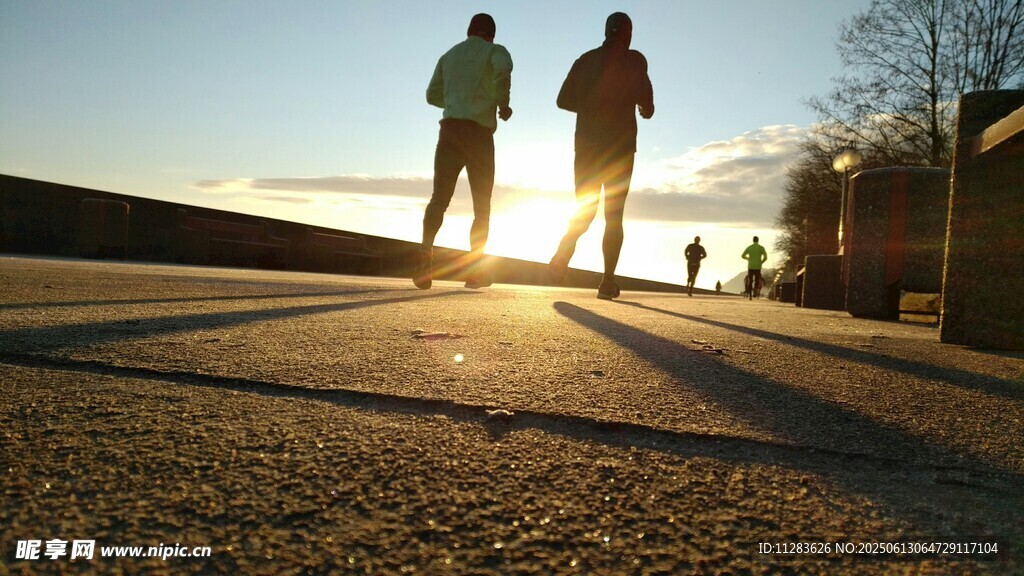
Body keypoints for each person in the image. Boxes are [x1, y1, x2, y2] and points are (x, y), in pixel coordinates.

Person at [548, 12, 654, 300]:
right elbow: (648, 105)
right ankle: (607, 281)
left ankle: (563, 251)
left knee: (586, 209)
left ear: (606, 31)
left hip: (586, 147)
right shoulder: (635, 60)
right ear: (628, 34)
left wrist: (592, 105)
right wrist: (641, 107)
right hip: (620, 149)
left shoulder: (585, 59)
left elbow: (562, 100)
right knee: (613, 216)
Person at [414, 13, 513, 290]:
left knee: (439, 199)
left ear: (469, 30)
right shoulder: (496, 51)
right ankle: (475, 271)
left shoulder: (449, 55)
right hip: (479, 136)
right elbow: (502, 72)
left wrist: (455, 101)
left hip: (449, 131)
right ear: (491, 34)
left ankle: (425, 252)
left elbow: (432, 95)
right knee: (482, 208)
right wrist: (502, 104)